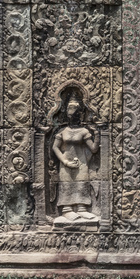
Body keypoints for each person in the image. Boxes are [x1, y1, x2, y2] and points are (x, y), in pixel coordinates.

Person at [51, 92, 100, 224]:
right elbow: (55, 147)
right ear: (65, 111)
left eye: (74, 109)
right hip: (65, 163)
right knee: (67, 185)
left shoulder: (84, 132)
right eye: (69, 108)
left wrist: (96, 133)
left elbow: (94, 149)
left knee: (81, 184)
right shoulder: (63, 131)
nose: (71, 112)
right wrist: (65, 161)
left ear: (80, 112)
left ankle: (82, 208)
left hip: (81, 163)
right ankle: (67, 210)